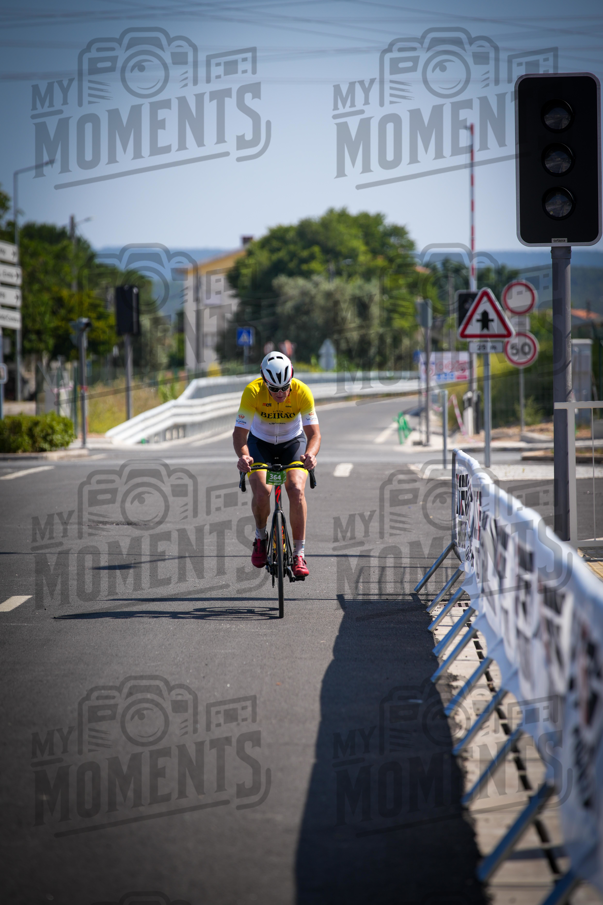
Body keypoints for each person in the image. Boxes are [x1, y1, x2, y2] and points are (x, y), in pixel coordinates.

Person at [233, 351, 321, 578]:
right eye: (274, 389)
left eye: (285, 387)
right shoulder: (252, 392)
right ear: (264, 381)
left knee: (296, 489)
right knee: (262, 490)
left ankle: (299, 554)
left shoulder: (302, 391)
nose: (280, 393)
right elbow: (239, 434)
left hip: (292, 442)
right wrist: (244, 456)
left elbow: (314, 435)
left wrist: (311, 455)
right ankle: (261, 537)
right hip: (260, 443)